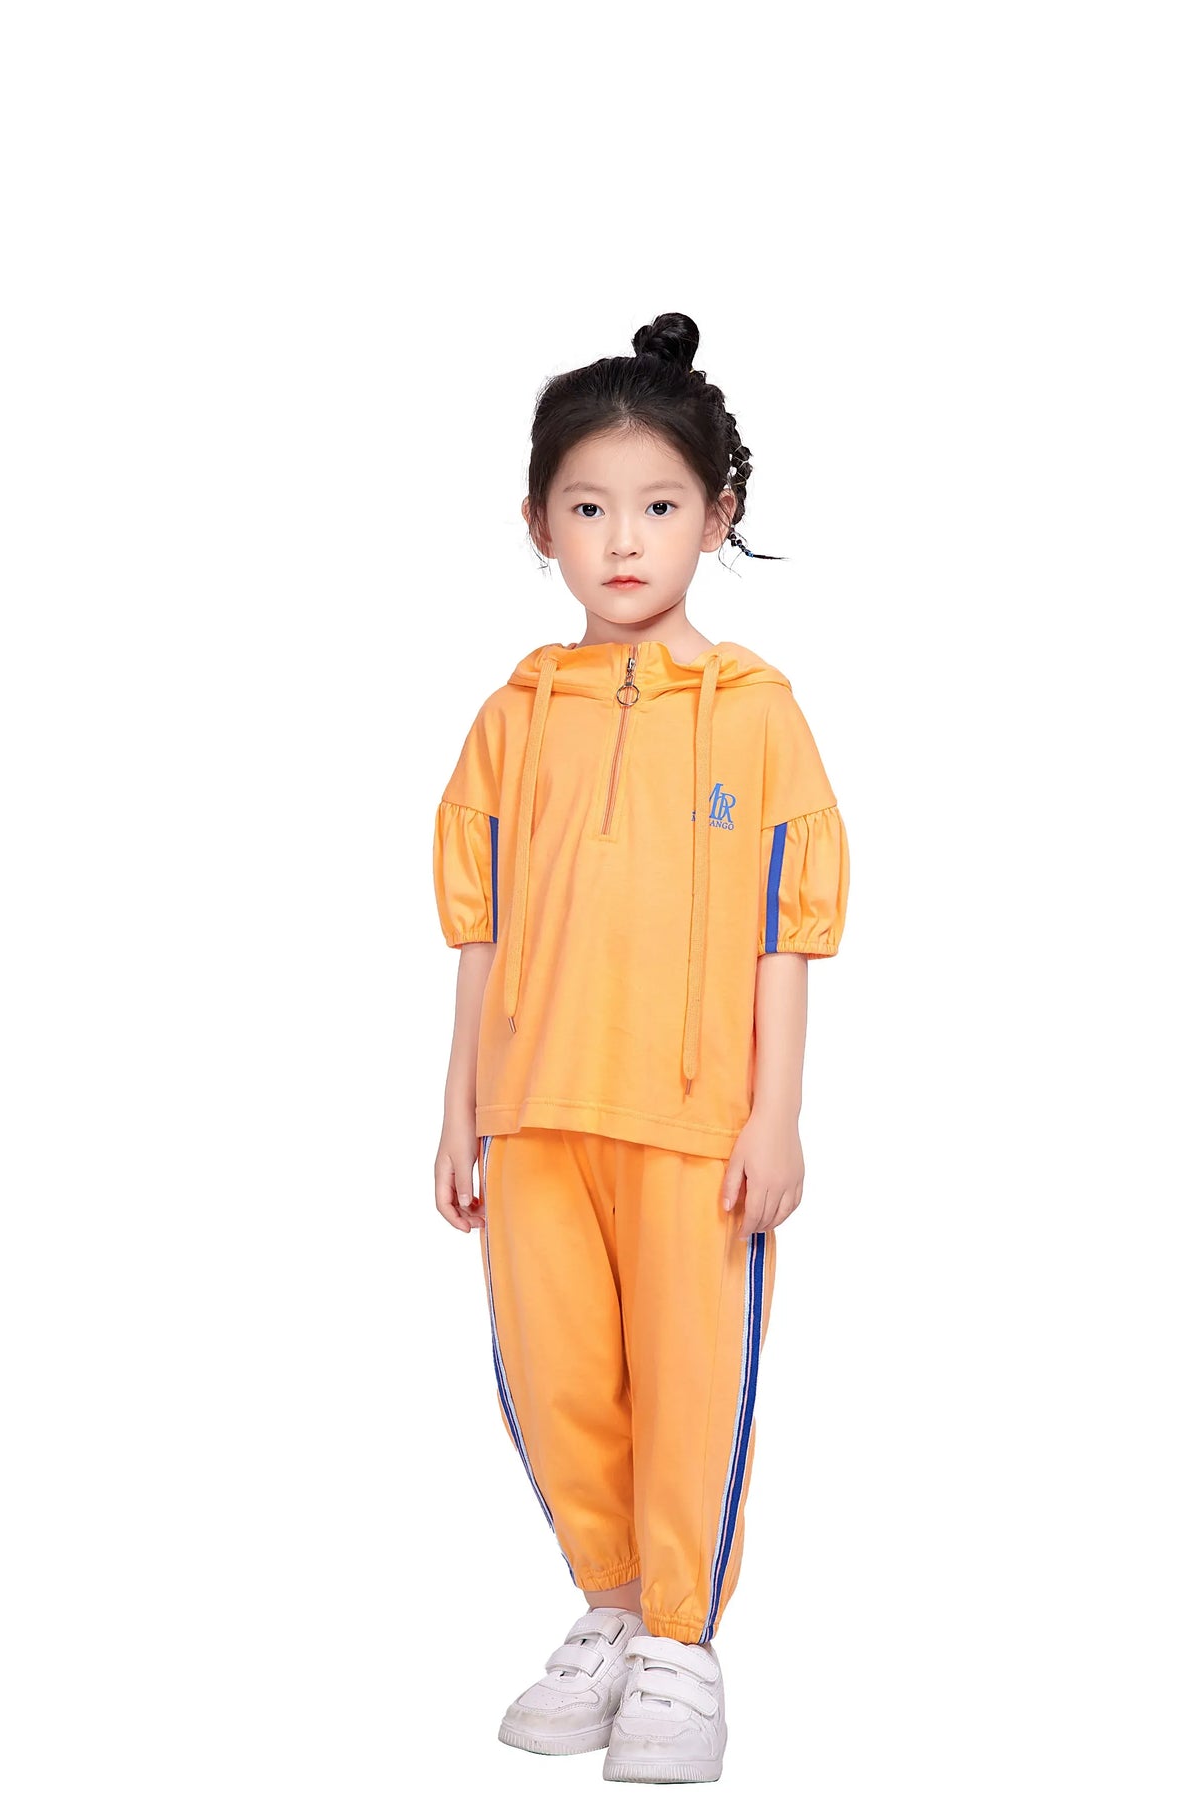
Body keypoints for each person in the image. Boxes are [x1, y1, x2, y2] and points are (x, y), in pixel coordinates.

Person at [431, 311, 850, 1784]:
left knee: (689, 1381)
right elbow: (479, 932)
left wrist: (776, 1115)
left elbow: (787, 932)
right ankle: (607, 1605)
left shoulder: (758, 716)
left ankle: (680, 1640)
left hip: (695, 1126)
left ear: (717, 516)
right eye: (590, 508)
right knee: (555, 1376)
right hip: (535, 1113)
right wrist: (459, 1111)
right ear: (537, 521)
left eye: (660, 507)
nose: (624, 541)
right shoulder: (512, 718)